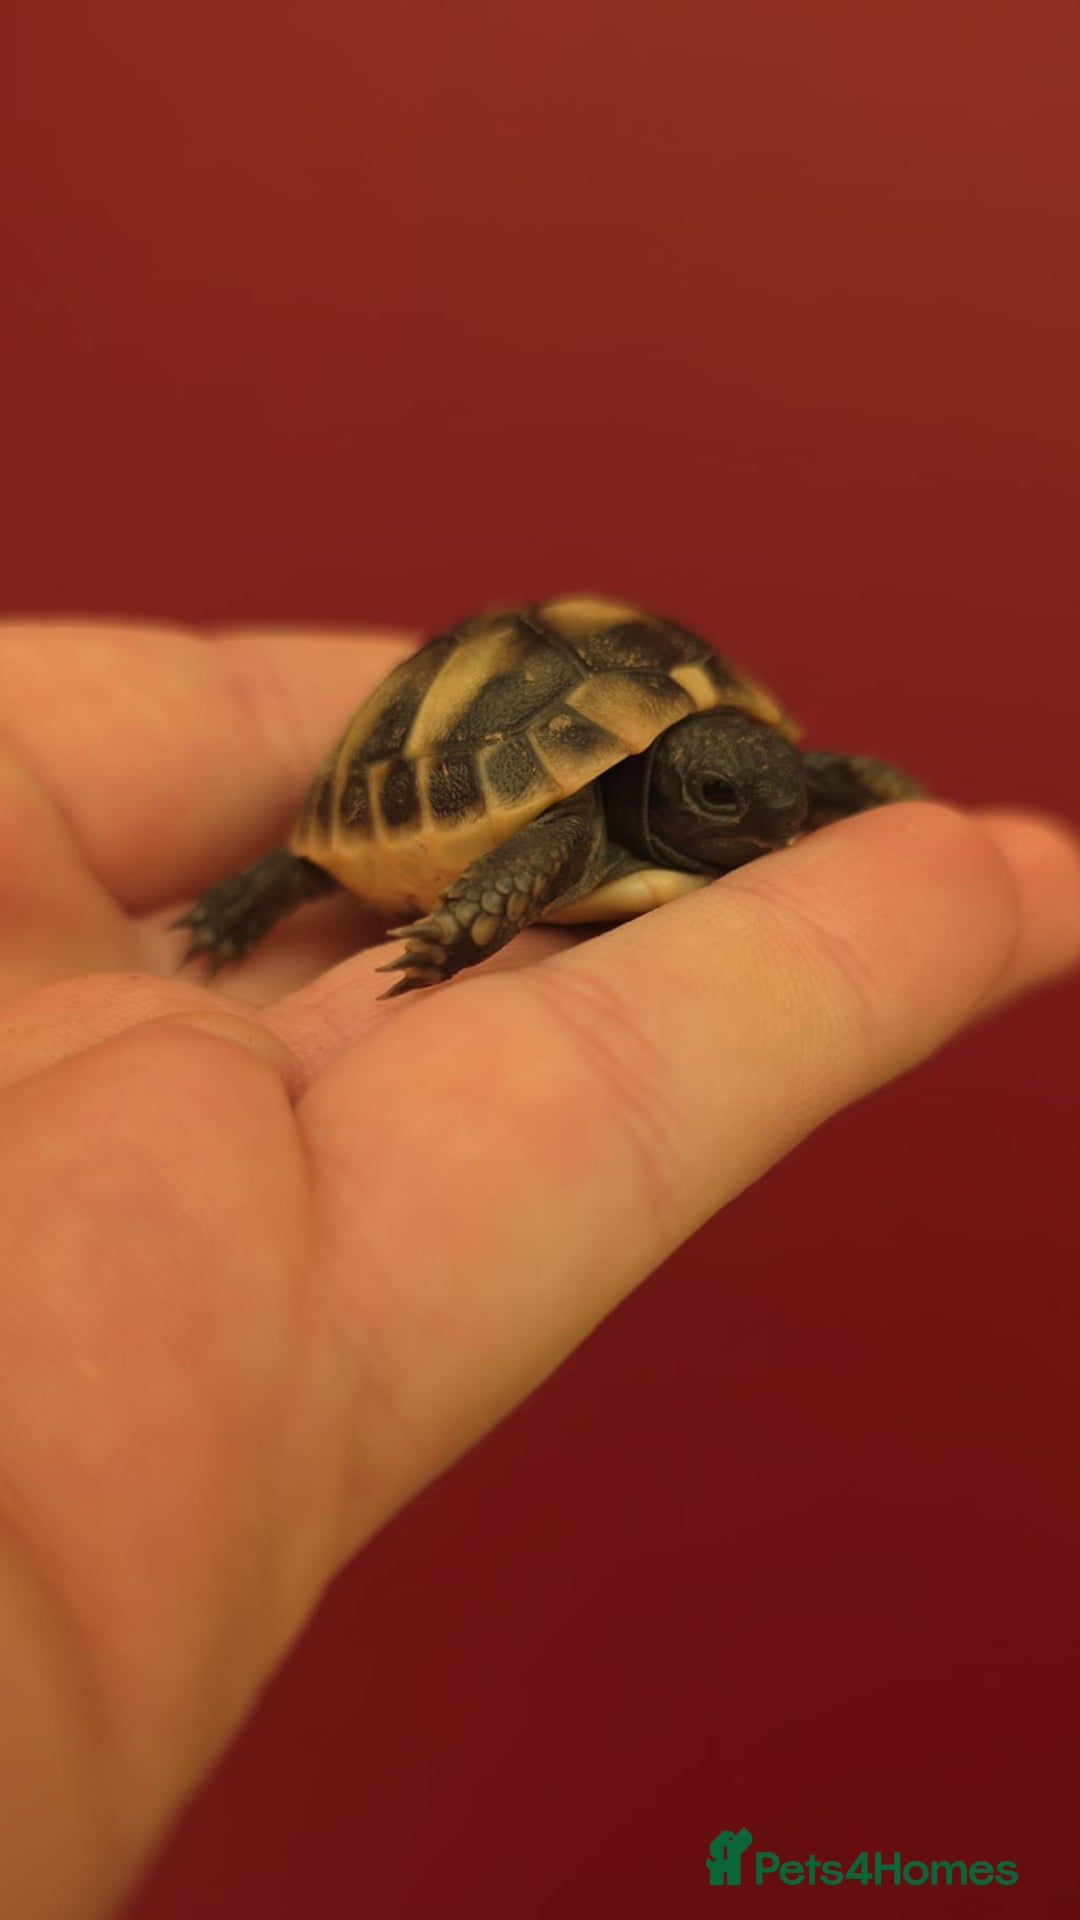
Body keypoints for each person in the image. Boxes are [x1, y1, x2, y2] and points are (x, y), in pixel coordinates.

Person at [0, 617, 1077, 1919]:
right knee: (351, 862)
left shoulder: (756, 784)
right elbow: (545, 843)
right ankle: (266, 887)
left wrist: (878, 800)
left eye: (777, 798)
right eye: (725, 804)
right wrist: (467, 924)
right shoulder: (576, 824)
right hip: (489, 831)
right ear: (668, 791)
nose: (768, 825)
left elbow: (798, 787)